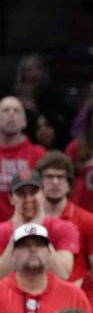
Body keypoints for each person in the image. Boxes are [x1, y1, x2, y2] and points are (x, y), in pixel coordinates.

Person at [0, 224, 92, 313]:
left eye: (39, 245)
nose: (33, 249)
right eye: (24, 245)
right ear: (13, 255)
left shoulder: (74, 295)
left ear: (49, 254)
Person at [35, 152, 93, 284]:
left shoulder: (89, 221)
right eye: (49, 177)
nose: (55, 182)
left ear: (69, 183)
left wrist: (81, 286)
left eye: (60, 177)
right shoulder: (27, 218)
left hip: (76, 291)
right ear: (39, 182)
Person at [0, 170, 78, 281]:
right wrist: (17, 234)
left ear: (43, 194)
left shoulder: (64, 228)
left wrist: (37, 231)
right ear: (11, 198)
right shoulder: (2, 231)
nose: (28, 199)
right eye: (21, 193)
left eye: (33, 192)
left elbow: (63, 274)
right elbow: (1, 276)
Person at [0, 95, 46, 223]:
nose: (11, 114)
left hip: (27, 231)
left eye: (16, 110)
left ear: (24, 121)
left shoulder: (39, 153)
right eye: (6, 110)